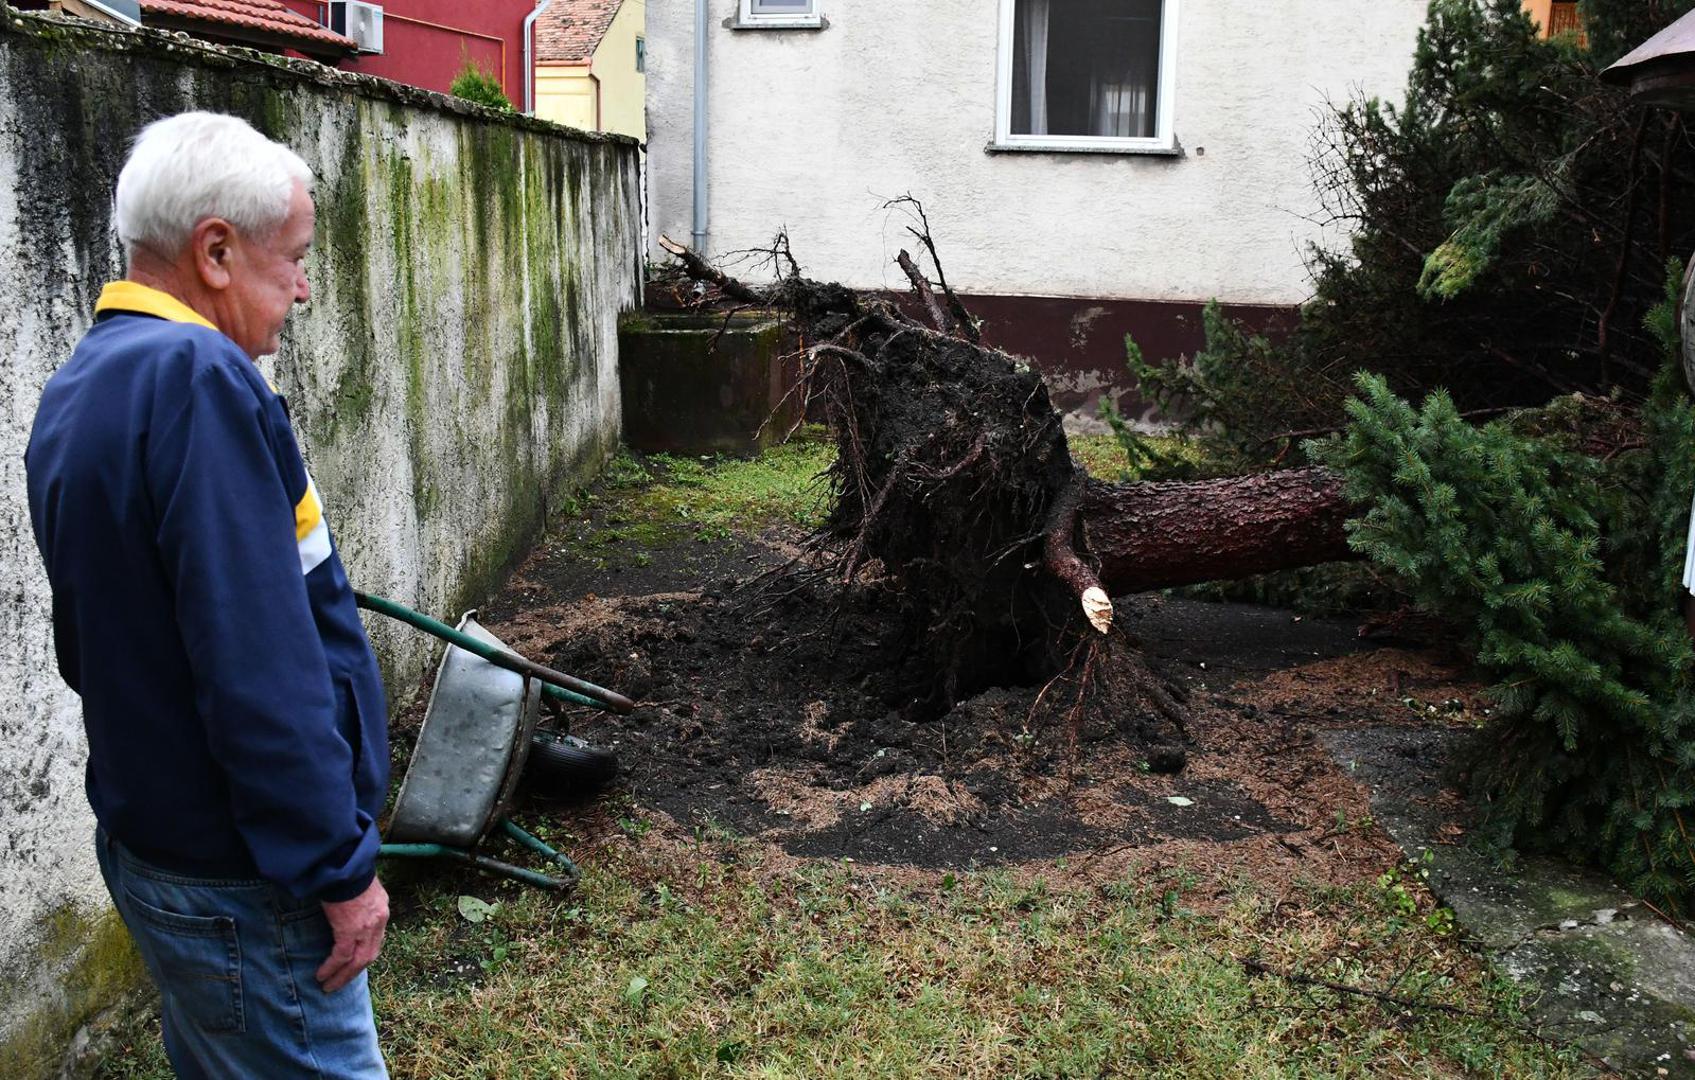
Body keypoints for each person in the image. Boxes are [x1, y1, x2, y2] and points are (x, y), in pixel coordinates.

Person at [26, 112, 391, 1078]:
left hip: (159, 851)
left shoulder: (86, 380)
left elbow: (89, 644)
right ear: (216, 251)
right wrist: (338, 870)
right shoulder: (200, 380)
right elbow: (259, 669)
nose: (305, 286)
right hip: (250, 883)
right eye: (296, 258)